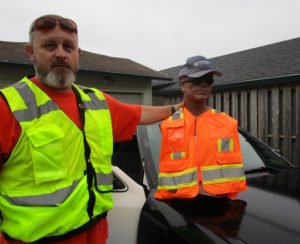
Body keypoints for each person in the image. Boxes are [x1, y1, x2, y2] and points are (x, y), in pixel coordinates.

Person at [0, 15, 182, 243]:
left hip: (95, 234)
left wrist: (179, 107)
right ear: (31, 51)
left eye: (68, 47)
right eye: (49, 45)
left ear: (78, 54)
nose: (60, 53)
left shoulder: (95, 101)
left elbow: (139, 114)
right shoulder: (7, 106)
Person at [154, 55, 247, 200]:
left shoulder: (228, 123)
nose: (204, 85)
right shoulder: (167, 124)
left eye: (209, 80)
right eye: (197, 80)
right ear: (182, 84)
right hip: (177, 208)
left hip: (221, 207)